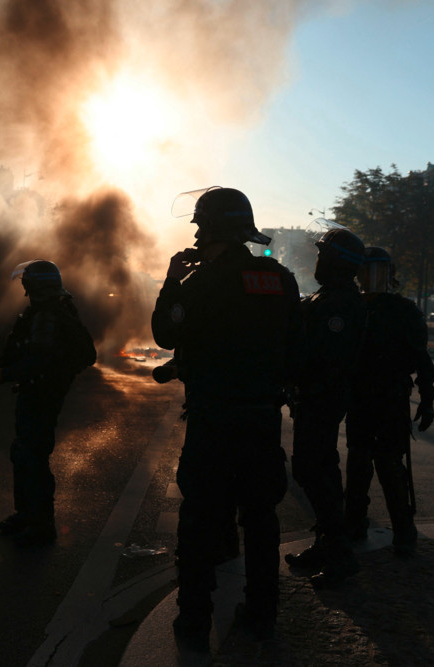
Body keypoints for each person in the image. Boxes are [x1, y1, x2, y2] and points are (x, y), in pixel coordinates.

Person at [151, 187, 300, 649]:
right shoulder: (281, 279)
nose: (197, 238)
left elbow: (165, 332)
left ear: (211, 229)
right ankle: (263, 611)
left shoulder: (204, 282)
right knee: (260, 518)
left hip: (214, 419)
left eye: (200, 228)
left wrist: (173, 281)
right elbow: (294, 344)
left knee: (200, 517)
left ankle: (194, 617)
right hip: (262, 418)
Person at [0, 260, 95, 547]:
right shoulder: (49, 311)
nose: (24, 287)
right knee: (24, 452)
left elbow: (38, 360)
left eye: (27, 282)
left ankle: (41, 524)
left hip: (42, 393)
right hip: (39, 391)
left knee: (33, 457)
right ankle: (26, 515)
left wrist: (5, 374)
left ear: (35, 284)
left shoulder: (47, 315)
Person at [284, 223, 366, 588]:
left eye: (322, 254)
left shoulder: (341, 304)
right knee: (322, 468)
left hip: (322, 398)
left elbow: (327, 357)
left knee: (311, 469)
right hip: (315, 397)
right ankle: (327, 543)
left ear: (335, 261)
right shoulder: (328, 297)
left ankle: (340, 552)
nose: (317, 260)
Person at [344, 247, 434, 557]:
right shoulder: (352, 307)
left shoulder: (400, 310)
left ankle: (403, 529)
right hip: (361, 397)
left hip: (390, 397)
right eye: (366, 270)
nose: (371, 277)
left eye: (377, 270)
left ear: (388, 273)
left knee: (388, 466)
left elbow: (421, 359)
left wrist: (427, 398)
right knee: (359, 463)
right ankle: (356, 524)